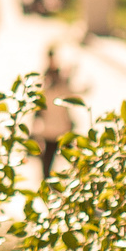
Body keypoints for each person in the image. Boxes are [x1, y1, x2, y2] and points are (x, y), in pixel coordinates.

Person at [36, 48, 75, 182]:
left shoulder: (59, 81)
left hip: (60, 125)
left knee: (66, 154)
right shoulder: (48, 82)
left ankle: (53, 179)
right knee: (51, 156)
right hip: (53, 127)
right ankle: (47, 180)